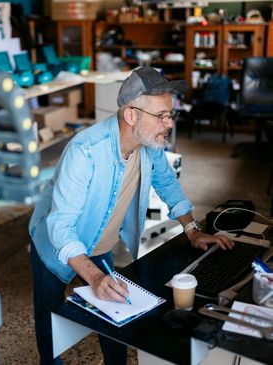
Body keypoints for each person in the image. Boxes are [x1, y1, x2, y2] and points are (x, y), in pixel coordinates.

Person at [29, 66, 233, 365]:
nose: (169, 124)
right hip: (54, 242)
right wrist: (94, 276)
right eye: (161, 116)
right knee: (50, 318)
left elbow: (167, 183)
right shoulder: (85, 151)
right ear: (131, 115)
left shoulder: (149, 146)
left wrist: (192, 229)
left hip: (98, 243)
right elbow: (60, 224)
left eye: (170, 115)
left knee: (115, 315)